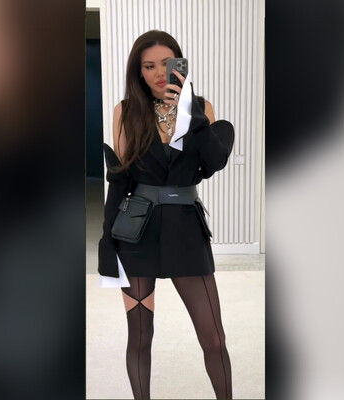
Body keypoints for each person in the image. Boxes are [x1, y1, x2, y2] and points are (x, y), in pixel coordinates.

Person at [97, 30, 235, 400]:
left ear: (180, 65)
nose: (159, 73)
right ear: (138, 72)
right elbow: (121, 180)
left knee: (214, 338)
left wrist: (192, 112)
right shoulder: (126, 112)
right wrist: (106, 242)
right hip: (136, 234)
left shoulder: (201, 107)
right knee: (140, 338)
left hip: (186, 232)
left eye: (166, 63)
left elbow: (213, 162)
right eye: (149, 66)